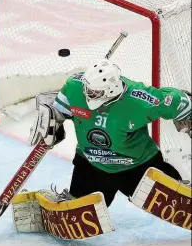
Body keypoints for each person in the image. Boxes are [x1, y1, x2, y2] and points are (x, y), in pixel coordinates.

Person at [29, 59, 191, 207]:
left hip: (138, 166)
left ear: (112, 89)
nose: (87, 94)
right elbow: (59, 109)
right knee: (78, 211)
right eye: (87, 89)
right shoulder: (75, 86)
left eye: (95, 92)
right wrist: (51, 117)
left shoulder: (140, 100)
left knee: (175, 205)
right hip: (91, 166)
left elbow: (174, 100)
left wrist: (187, 109)